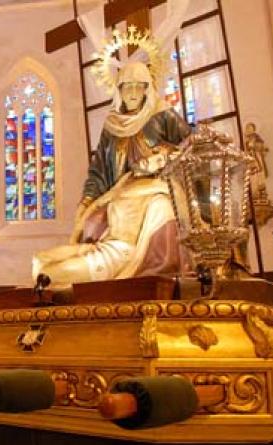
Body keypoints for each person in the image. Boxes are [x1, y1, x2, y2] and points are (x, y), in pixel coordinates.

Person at [32, 61, 191, 288]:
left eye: (139, 86)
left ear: (147, 88)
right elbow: (99, 169)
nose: (133, 92)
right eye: (127, 86)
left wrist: (168, 159)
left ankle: (153, 277)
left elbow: (191, 148)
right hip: (120, 195)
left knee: (163, 207)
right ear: (119, 90)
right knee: (88, 225)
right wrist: (86, 202)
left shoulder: (163, 116)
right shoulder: (112, 126)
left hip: (151, 197)